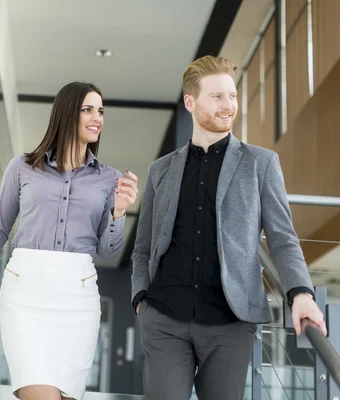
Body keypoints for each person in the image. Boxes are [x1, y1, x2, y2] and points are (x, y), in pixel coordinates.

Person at [130, 56, 327, 400]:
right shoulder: (161, 170)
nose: (229, 105)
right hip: (164, 318)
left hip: (230, 323)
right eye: (217, 97)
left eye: (232, 96)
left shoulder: (261, 163)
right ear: (191, 102)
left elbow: (282, 239)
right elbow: (144, 245)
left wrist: (302, 294)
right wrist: (140, 297)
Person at [0, 82, 138, 400]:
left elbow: (108, 250)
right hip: (25, 297)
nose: (97, 117)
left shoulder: (109, 179)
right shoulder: (22, 167)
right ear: (67, 113)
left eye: (101, 111)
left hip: (77, 301)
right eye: (88, 109)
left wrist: (120, 212)